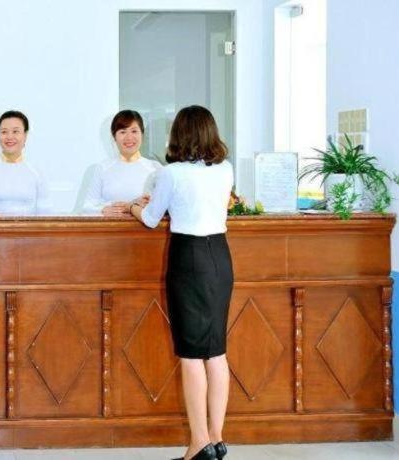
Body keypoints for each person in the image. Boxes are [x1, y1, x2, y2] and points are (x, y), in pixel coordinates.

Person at [131, 105, 233, 460]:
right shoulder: (226, 169)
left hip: (189, 258)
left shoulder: (171, 173)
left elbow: (150, 218)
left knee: (191, 355)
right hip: (220, 256)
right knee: (216, 351)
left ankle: (198, 444)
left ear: (179, 134)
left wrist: (132, 207)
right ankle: (216, 439)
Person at [81, 110, 162, 215]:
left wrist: (132, 206)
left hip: (143, 226)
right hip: (110, 225)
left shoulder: (155, 168)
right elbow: (87, 207)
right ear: (114, 137)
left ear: (142, 134)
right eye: (123, 132)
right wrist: (103, 210)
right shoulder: (102, 168)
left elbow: (163, 206)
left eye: (134, 131)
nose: (129, 137)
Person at [0, 110, 51, 215]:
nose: (9, 137)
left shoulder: (37, 173)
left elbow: (45, 215)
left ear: (25, 135)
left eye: (15, 131)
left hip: (29, 226)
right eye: (4, 132)